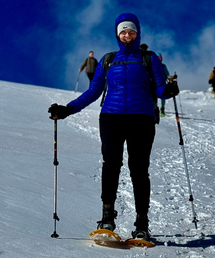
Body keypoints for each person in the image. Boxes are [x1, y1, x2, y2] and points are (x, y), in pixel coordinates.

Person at [48, 13, 179, 240]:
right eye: (123, 32)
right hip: (111, 117)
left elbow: (159, 88)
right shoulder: (108, 59)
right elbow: (93, 91)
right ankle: (107, 217)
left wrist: (167, 91)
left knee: (139, 169)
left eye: (131, 31)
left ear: (137, 33)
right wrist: (68, 109)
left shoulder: (149, 59)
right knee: (111, 164)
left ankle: (142, 223)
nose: (127, 35)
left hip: (142, 118)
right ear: (117, 35)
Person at [157, 52, 169, 117]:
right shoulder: (152, 65)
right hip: (155, 83)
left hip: (162, 83)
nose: (158, 59)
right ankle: (155, 108)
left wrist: (171, 78)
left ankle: (162, 108)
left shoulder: (163, 66)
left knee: (163, 95)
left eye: (159, 58)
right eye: (157, 58)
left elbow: (167, 74)